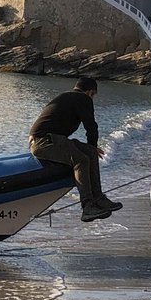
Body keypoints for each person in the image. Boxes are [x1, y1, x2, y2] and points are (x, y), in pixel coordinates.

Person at [29, 76, 122, 223]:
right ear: (90, 92)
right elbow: (91, 127)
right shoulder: (83, 99)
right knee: (81, 160)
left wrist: (92, 148)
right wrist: (92, 144)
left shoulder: (66, 96)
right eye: (94, 95)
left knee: (91, 153)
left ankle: (98, 198)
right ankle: (87, 207)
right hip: (45, 142)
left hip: (50, 140)